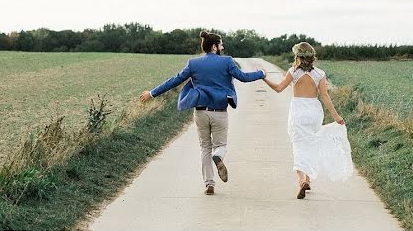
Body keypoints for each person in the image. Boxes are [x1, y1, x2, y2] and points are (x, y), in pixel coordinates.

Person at [140, 31, 266, 195]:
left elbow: (175, 80)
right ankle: (219, 157)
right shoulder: (227, 61)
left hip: (200, 112)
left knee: (205, 147)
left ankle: (209, 184)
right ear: (214, 46)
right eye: (220, 44)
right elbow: (243, 77)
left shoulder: (193, 64)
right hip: (219, 112)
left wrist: (152, 93)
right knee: (220, 146)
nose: (222, 47)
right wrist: (261, 73)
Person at [262, 41, 354, 199]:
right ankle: (309, 177)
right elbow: (325, 96)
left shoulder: (293, 72)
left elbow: (278, 88)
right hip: (314, 111)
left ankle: (302, 179)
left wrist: (264, 78)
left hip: (298, 111)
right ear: (312, 58)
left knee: (298, 145)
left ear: (298, 57)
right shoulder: (320, 74)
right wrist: (336, 116)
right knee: (311, 143)